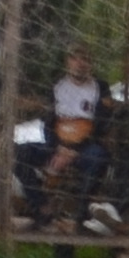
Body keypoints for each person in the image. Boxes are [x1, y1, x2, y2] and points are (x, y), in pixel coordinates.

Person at [43, 47, 104, 222]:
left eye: (84, 59)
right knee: (24, 152)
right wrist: (59, 148)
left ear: (90, 63)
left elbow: (102, 123)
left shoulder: (99, 88)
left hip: (84, 144)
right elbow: (48, 121)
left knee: (98, 157)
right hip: (58, 142)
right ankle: (40, 207)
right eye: (75, 58)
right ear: (67, 62)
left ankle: (80, 211)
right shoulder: (56, 86)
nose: (79, 63)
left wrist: (74, 149)